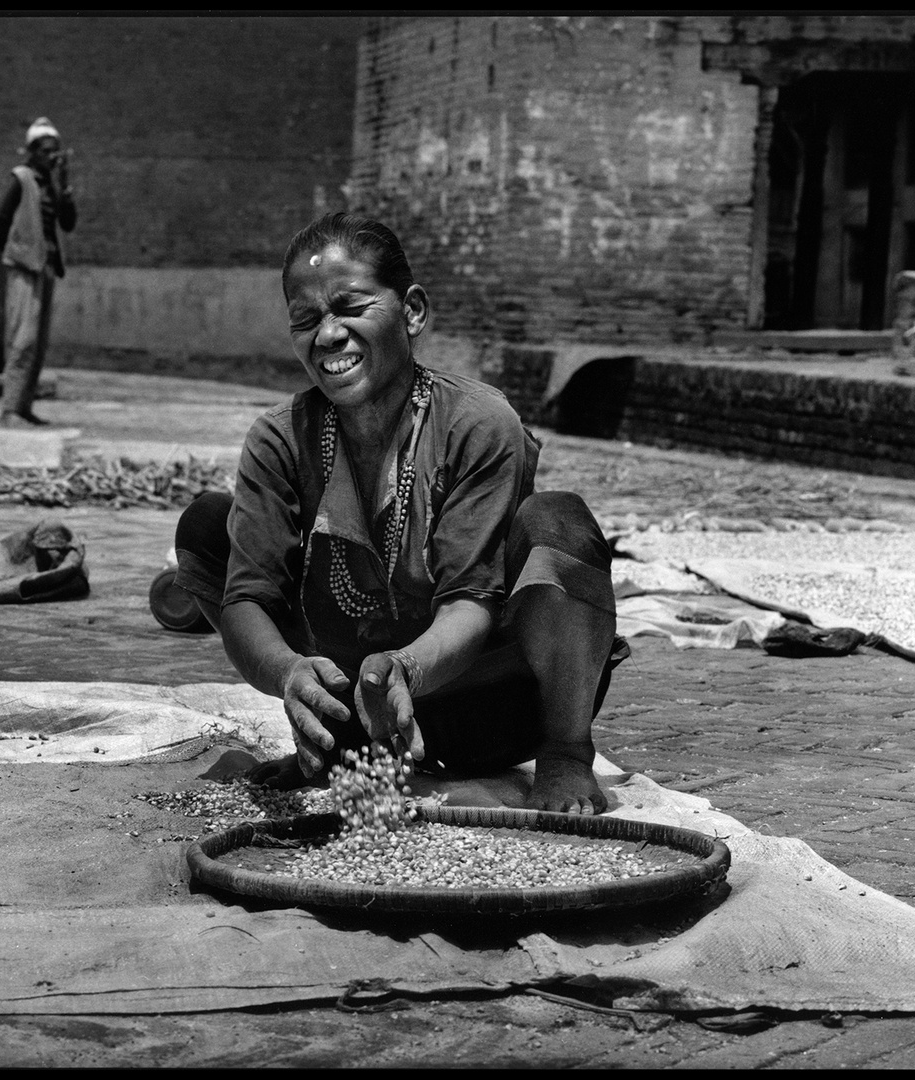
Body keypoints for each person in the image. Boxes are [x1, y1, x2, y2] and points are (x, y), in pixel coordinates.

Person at [171, 213, 629, 815]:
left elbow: (474, 598)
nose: (327, 336)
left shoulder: (478, 424)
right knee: (205, 526)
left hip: (490, 708)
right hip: (360, 711)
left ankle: (567, 753)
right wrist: (289, 673)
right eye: (305, 320)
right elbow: (247, 597)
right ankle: (342, 749)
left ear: (411, 311)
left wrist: (408, 669)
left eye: (350, 307)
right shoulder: (280, 440)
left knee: (558, 524)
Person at [0, 117, 77, 427]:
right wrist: (16, 254)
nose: (53, 156)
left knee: (37, 344)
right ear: (33, 152)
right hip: (26, 269)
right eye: (48, 151)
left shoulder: (50, 183)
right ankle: (10, 409)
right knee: (22, 340)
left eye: (57, 151)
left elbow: (68, 222)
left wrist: (64, 186)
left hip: (47, 268)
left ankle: (24, 407)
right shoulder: (20, 179)